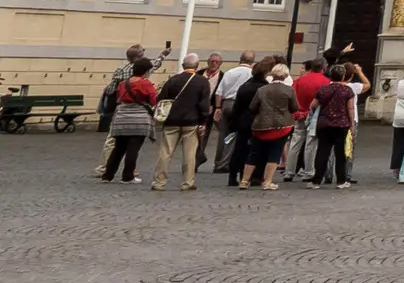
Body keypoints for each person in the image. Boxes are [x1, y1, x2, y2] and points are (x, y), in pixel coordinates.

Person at [151, 53, 216, 192]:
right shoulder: (202, 82)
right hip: (191, 122)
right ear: (197, 66)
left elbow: (161, 99)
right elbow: (204, 104)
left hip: (172, 120)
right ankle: (187, 182)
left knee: (165, 152)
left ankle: (159, 182)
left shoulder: (173, 80)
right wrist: (203, 121)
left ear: (183, 65)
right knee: (189, 154)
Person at [101, 55, 158, 184]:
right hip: (139, 119)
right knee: (133, 149)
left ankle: (108, 175)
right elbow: (154, 100)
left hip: (121, 118)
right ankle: (127, 176)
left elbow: (119, 98)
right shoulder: (145, 83)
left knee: (118, 148)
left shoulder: (123, 83)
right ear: (146, 71)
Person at [244, 62, 297, 189]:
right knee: (274, 152)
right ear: (285, 75)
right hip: (281, 126)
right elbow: (294, 108)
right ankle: (267, 181)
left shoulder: (262, 89)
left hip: (261, 125)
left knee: (254, 153)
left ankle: (244, 180)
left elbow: (252, 107)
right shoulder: (289, 90)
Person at [226, 59, 277, 187]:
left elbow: (237, 107)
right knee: (258, 150)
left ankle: (233, 175)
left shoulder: (244, 86)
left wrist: (234, 123)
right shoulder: (265, 88)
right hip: (258, 122)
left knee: (240, 149)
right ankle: (254, 176)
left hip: (243, 121)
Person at [309, 64, 361, 188]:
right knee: (340, 153)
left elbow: (313, 105)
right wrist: (352, 125)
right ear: (343, 76)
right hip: (341, 124)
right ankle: (341, 181)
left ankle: (316, 180)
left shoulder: (323, 89)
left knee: (322, 152)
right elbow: (350, 108)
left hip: (324, 123)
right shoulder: (347, 90)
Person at [283, 58, 327, 181]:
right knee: (311, 144)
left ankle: (289, 171)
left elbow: (292, 97)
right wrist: (308, 112)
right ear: (323, 68)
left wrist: (297, 112)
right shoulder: (325, 82)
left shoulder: (299, 81)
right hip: (315, 115)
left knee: (295, 143)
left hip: (299, 114)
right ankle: (309, 171)